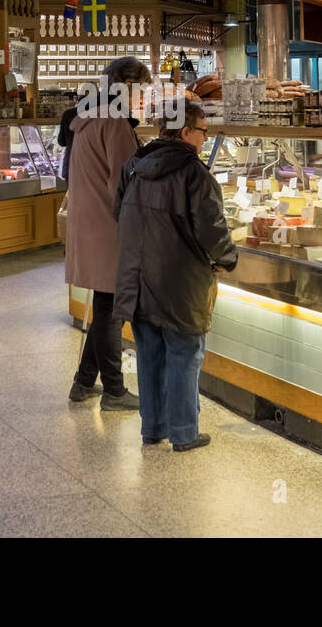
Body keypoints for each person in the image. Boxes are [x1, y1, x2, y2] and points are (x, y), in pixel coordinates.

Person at [113, 99, 237, 451]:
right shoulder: (195, 174)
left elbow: (117, 212)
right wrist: (227, 259)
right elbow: (212, 230)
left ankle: (153, 428)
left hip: (136, 278)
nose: (205, 139)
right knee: (184, 354)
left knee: (149, 354)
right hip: (180, 281)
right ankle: (184, 433)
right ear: (185, 132)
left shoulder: (134, 166)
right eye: (203, 131)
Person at [65, 56, 154, 410]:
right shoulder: (115, 123)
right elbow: (125, 181)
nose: (143, 96)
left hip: (89, 222)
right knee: (112, 310)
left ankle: (84, 382)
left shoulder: (88, 118)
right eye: (141, 88)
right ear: (126, 87)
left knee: (105, 305)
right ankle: (115, 391)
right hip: (109, 226)